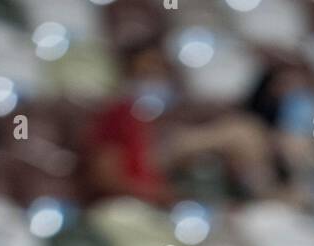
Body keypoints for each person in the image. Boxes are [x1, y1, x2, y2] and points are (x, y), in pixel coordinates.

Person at [86, 37, 279, 205]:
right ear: (129, 76)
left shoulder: (179, 109)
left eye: (159, 71)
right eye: (145, 72)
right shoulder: (117, 114)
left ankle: (262, 195)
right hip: (144, 189)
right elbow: (107, 178)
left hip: (171, 162)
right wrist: (164, 196)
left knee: (242, 132)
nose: (154, 79)